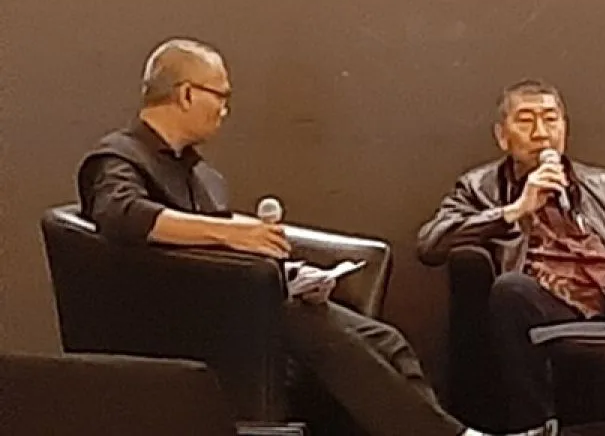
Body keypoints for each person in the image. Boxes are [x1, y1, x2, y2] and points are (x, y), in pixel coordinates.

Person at [76, 37, 520, 436]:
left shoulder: (200, 174)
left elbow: (216, 255)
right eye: (221, 96)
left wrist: (290, 273)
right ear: (187, 94)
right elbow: (123, 216)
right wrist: (231, 232)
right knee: (315, 329)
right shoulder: (117, 158)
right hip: (175, 317)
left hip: (236, 304)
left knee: (382, 339)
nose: (225, 110)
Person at [418, 80, 605, 432]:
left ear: (564, 128)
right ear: (502, 136)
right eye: (526, 121)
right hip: (552, 301)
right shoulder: (479, 188)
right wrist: (515, 210)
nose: (541, 133)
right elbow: (431, 243)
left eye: (550, 119)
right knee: (511, 290)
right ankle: (537, 428)